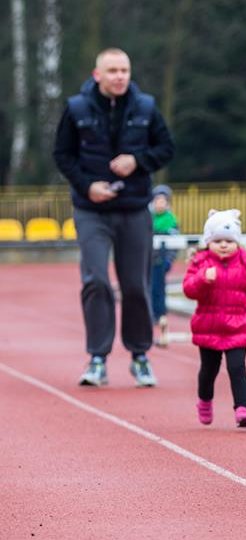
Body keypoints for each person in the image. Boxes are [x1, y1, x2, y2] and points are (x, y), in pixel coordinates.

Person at [53, 47, 175, 387]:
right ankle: (97, 358)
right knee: (96, 281)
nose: (120, 76)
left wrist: (137, 161)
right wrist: (87, 185)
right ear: (98, 75)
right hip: (91, 209)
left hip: (134, 207)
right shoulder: (76, 108)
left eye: (124, 70)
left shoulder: (146, 107)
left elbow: (167, 148)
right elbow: (62, 154)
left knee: (136, 284)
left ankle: (139, 356)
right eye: (112, 71)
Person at [182, 210, 246, 428]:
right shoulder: (201, 263)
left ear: (237, 242)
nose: (223, 245)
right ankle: (205, 401)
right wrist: (202, 280)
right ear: (208, 242)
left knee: (237, 367)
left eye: (228, 240)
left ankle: (242, 408)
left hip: (238, 327)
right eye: (217, 241)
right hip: (209, 327)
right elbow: (189, 289)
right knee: (209, 370)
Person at [150, 184, 179, 347]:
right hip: (147, 260)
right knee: (147, 287)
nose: (160, 204)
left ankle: (160, 314)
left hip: (161, 261)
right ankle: (149, 314)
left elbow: (175, 243)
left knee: (159, 288)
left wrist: (169, 260)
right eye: (157, 201)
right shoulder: (148, 219)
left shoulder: (171, 221)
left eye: (163, 201)